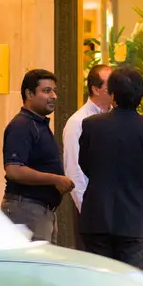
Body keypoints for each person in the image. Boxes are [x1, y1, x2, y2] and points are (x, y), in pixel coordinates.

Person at [76, 65, 143, 272]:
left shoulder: (91, 125)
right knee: (131, 283)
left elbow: (85, 164)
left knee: (99, 281)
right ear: (140, 95)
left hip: (98, 215)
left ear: (112, 94)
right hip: (136, 218)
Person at [2, 69, 71, 243]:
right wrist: (56, 179)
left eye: (54, 91)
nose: (53, 96)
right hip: (26, 209)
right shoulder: (22, 126)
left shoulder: (38, 124)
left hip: (41, 211)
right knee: (33, 269)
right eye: (46, 91)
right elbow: (14, 170)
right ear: (29, 94)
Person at [61, 63, 114, 216]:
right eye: (110, 84)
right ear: (95, 89)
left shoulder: (116, 118)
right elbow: (73, 168)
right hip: (90, 205)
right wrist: (86, 208)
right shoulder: (77, 122)